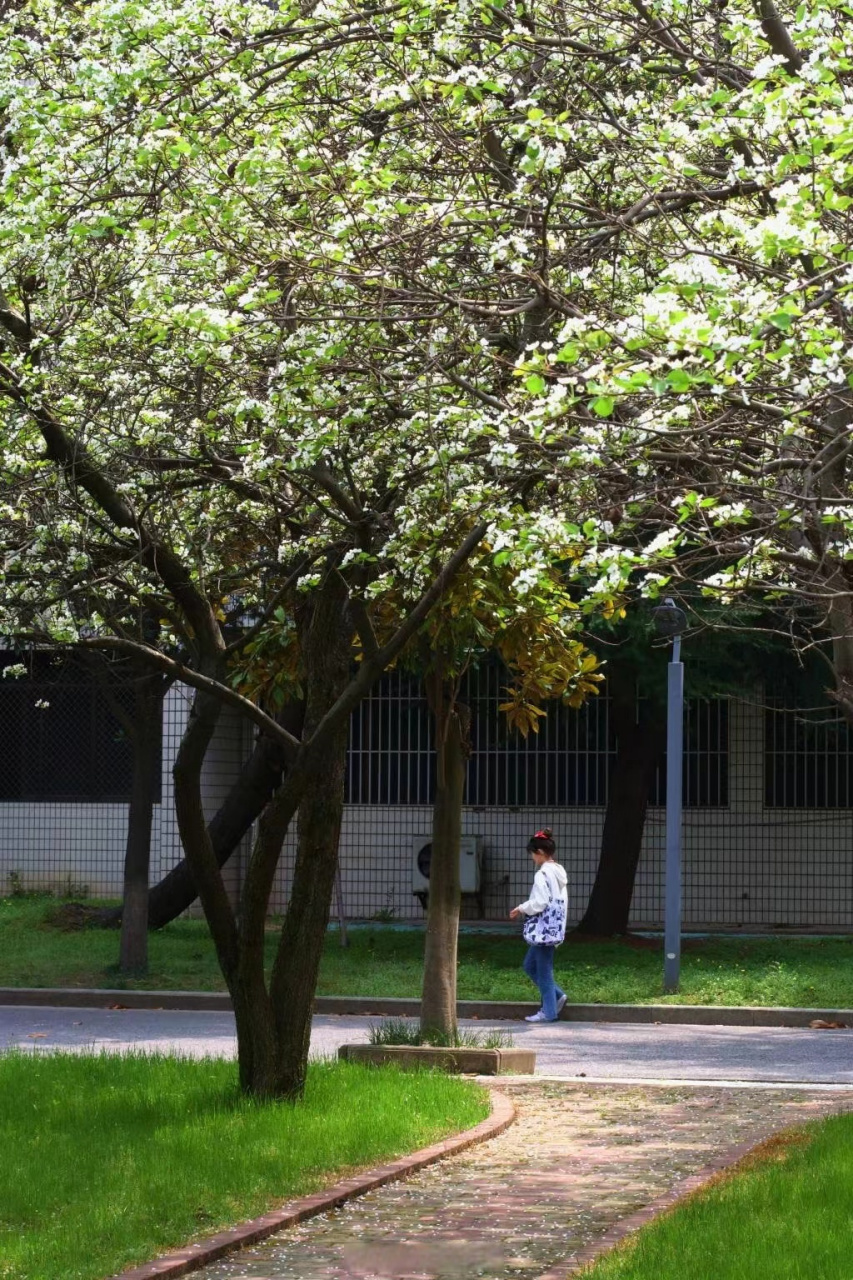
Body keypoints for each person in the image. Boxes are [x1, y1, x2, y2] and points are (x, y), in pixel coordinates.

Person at [509, 828, 568, 1023]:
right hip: (553, 929)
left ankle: (549, 1012)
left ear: (540, 853)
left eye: (533, 854)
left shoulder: (542, 874)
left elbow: (540, 902)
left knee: (543, 971)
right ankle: (557, 996)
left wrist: (521, 908)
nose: (532, 858)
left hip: (542, 931)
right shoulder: (559, 872)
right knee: (530, 965)